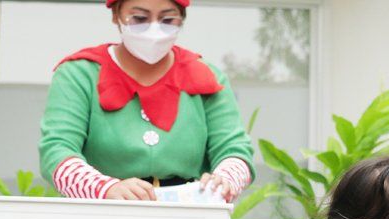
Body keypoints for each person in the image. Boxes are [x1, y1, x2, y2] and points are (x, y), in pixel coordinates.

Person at [38, 0, 254, 202]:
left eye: (168, 20)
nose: (154, 29)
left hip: (187, 214)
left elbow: (234, 150)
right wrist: (103, 189)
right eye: (140, 18)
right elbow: (57, 151)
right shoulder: (79, 74)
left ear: (182, 19)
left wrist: (225, 180)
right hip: (101, 213)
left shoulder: (206, 75)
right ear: (116, 15)